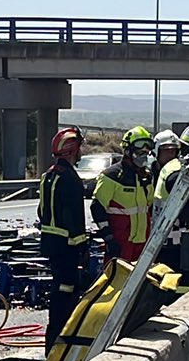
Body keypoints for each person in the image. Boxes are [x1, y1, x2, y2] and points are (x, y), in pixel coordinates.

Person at [38, 126, 91, 348]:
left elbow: (42, 212)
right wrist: (82, 247)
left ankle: (53, 338)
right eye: (78, 148)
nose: (80, 153)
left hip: (51, 244)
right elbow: (74, 218)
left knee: (59, 288)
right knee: (67, 291)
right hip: (67, 247)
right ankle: (60, 339)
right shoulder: (70, 179)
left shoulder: (48, 176)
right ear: (71, 150)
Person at [91, 127, 157, 262]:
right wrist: (109, 238)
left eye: (146, 152)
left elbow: (149, 206)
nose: (144, 155)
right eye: (140, 152)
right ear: (128, 151)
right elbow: (97, 208)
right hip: (120, 242)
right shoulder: (111, 176)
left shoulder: (146, 176)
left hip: (142, 242)